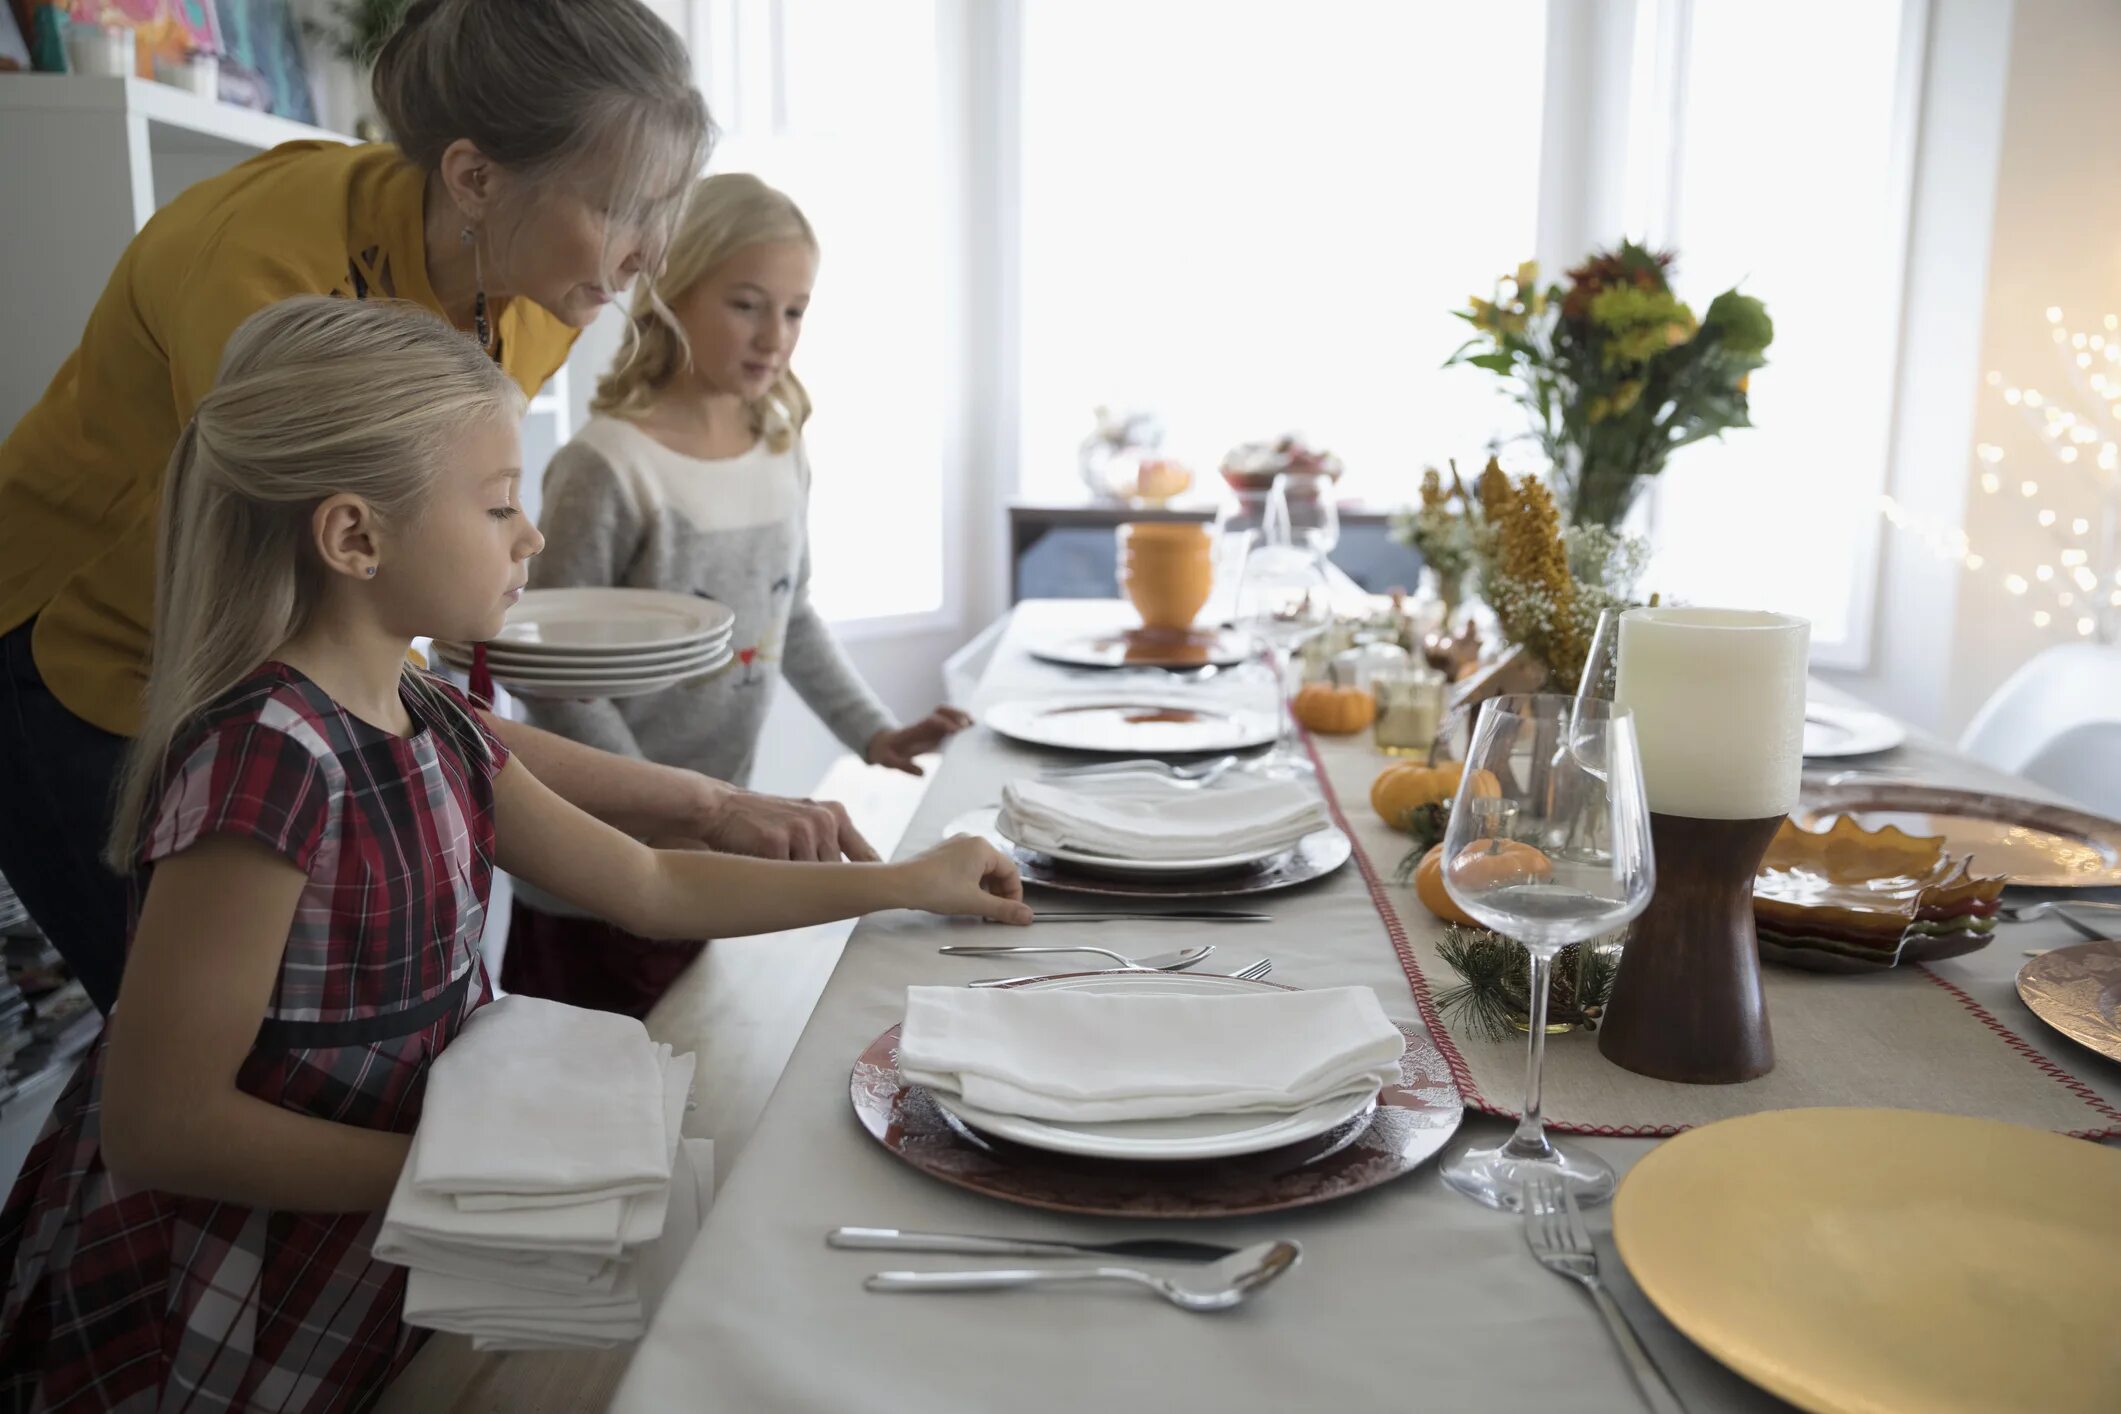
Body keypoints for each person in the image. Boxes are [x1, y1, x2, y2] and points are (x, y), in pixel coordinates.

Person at [0, 297, 1030, 1411]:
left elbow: (648, 880)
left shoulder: (426, 712)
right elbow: (162, 1126)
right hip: (223, 1290)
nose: (531, 536)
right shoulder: (266, 763)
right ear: (355, 537)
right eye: (498, 506)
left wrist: (900, 882)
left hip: (387, 1242)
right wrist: (476, 1180)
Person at [0, 0, 866, 1020]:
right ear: (474, 178)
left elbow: (389, 615)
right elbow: (336, 654)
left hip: (286, 672)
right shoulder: (266, 276)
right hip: (84, 659)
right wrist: (696, 804)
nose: (650, 256)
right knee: (212, 1044)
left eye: (666, 207)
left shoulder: (533, 285)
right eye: (627, 208)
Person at [499, 174, 973, 1016]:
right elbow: (552, 673)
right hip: (603, 870)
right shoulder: (608, 465)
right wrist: (672, 812)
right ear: (672, 295)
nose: (774, 338)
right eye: (747, 305)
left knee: (699, 1077)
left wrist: (874, 731)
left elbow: (789, 614)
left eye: (794, 312)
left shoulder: (779, 445)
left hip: (712, 848)